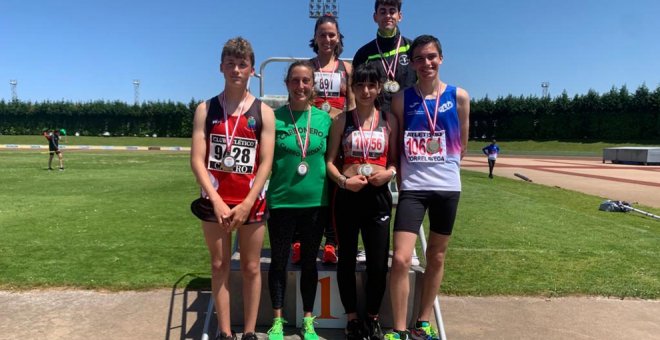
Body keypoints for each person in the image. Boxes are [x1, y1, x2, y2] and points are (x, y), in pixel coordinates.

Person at [189, 36, 275, 340]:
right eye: (231, 64)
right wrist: (216, 201)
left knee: (251, 267)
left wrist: (248, 202)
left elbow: (265, 164)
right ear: (221, 67)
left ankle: (250, 332)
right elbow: (197, 161)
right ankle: (225, 333)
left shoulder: (264, 113)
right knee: (219, 265)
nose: (236, 69)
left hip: (250, 203)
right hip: (215, 203)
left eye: (243, 64)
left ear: (252, 69)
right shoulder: (205, 109)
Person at [387, 35, 470, 340]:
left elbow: (462, 143)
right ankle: (398, 329)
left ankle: (422, 322)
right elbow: (395, 145)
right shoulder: (401, 99)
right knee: (401, 258)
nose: (426, 64)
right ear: (412, 63)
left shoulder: (459, 96)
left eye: (431, 57)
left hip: (447, 186)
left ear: (441, 58)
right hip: (414, 187)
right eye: (419, 59)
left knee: (436, 256)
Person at [326, 63, 398, 340]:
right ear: (351, 89)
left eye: (371, 85)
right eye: (360, 85)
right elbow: (330, 162)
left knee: (378, 263)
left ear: (379, 88)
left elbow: (393, 161)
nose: (366, 91)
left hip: (378, 197)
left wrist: (389, 174)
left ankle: (373, 317)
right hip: (348, 195)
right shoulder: (341, 121)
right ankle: (353, 319)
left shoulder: (389, 121)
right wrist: (344, 182)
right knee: (346, 259)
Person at [266, 60, 332, 340]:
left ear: (313, 84)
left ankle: (308, 321)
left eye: (306, 80)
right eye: (295, 80)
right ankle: (277, 321)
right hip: (282, 202)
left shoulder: (324, 119)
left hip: (316, 203)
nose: (300, 86)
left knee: (309, 263)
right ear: (287, 84)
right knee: (279, 262)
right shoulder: (274, 118)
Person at [290, 14, 354, 265]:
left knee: (334, 191)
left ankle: (331, 243)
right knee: (306, 187)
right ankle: (298, 241)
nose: (327, 39)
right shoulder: (307, 67)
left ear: (338, 38)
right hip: (310, 135)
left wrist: (338, 120)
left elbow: (351, 105)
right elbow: (298, 99)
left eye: (331, 34)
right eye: (322, 34)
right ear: (314, 38)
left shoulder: (346, 69)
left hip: (336, 136)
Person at [352, 0, 416, 115]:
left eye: (392, 11)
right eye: (383, 12)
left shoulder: (412, 48)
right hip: (378, 121)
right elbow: (356, 91)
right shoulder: (364, 53)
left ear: (400, 16)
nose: (387, 16)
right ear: (375, 17)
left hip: (410, 116)